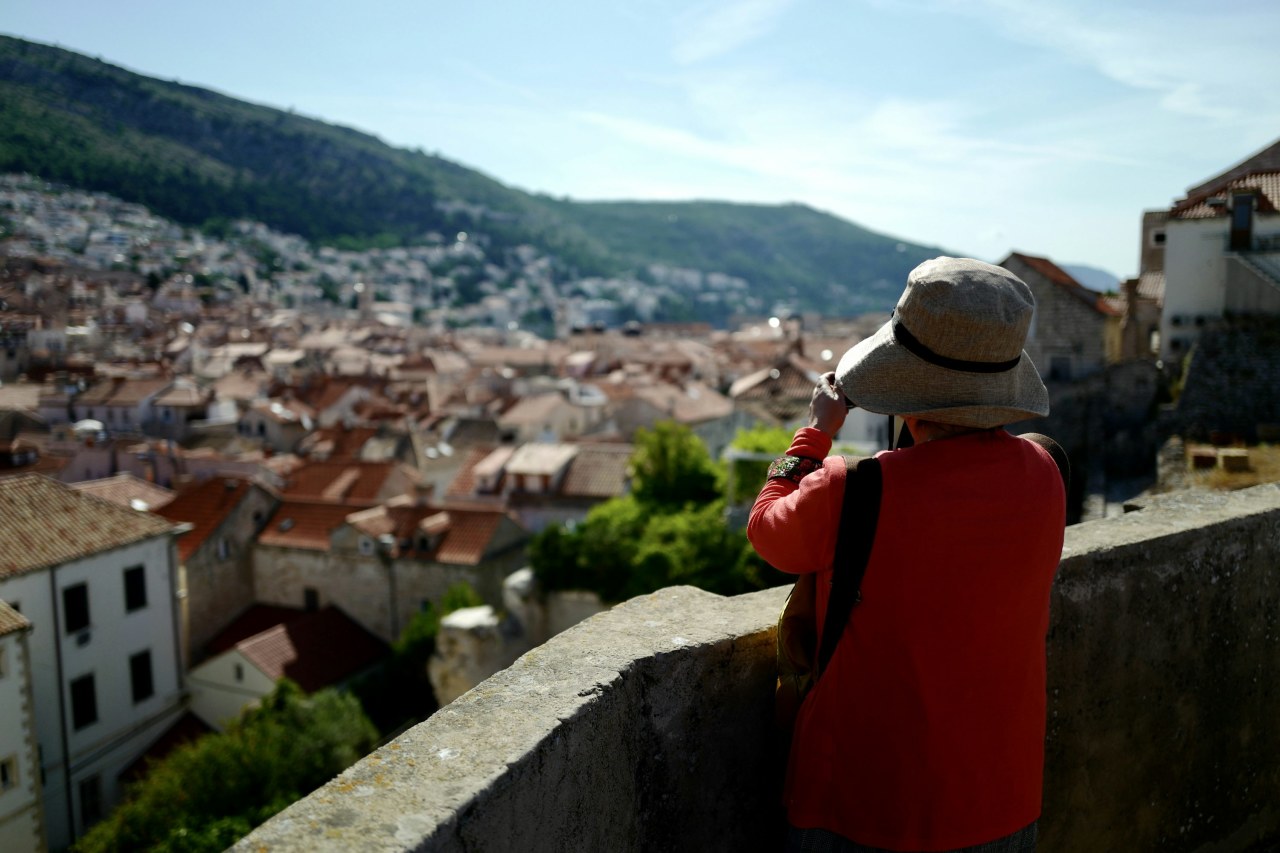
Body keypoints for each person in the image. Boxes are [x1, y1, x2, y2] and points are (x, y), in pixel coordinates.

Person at [748, 257, 1067, 853]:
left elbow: (768, 531)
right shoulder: (1046, 473)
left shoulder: (854, 489)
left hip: (864, 799)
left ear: (905, 388)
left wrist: (814, 434)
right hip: (1001, 798)